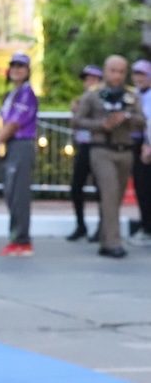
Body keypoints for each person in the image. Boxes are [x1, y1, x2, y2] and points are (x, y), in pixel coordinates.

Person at [72, 55, 146, 258]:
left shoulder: (132, 96)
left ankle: (105, 241)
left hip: (125, 150)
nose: (117, 75)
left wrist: (127, 117)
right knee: (110, 193)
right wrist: (101, 125)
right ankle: (114, 242)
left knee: (116, 197)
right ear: (106, 71)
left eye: (121, 71)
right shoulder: (93, 95)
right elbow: (77, 121)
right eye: (113, 71)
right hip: (101, 149)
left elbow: (142, 120)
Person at [0, 52, 38, 257]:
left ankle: (22, 240)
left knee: (18, 193)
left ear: (27, 71)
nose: (16, 70)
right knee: (11, 192)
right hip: (11, 146)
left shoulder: (26, 93)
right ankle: (16, 237)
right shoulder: (11, 94)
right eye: (13, 66)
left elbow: (14, 123)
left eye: (21, 67)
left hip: (21, 145)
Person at [66, 64, 103, 241]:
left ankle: (103, 227)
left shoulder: (103, 98)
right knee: (76, 187)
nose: (89, 83)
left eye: (93, 79)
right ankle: (81, 225)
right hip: (83, 146)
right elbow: (77, 122)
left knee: (101, 189)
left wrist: (80, 115)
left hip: (98, 146)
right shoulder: (82, 99)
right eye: (87, 79)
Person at [128, 59, 151, 247]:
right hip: (135, 145)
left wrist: (148, 144)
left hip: (146, 146)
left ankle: (148, 229)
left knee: (145, 188)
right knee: (141, 188)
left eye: (143, 74)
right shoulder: (133, 95)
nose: (139, 78)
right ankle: (146, 226)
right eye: (136, 74)